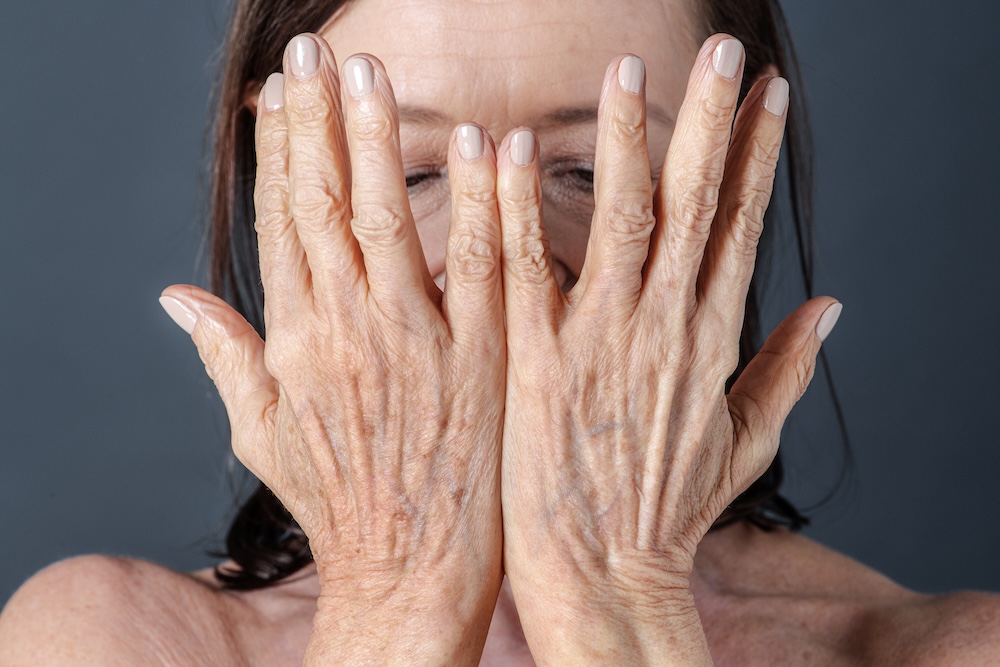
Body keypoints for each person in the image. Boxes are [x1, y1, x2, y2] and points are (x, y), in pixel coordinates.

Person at [1, 0, 998, 664]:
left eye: (589, 172)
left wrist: (619, 603)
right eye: (415, 174)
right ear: (280, 175)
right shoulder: (107, 642)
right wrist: (397, 597)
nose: (498, 252)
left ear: (733, 170)